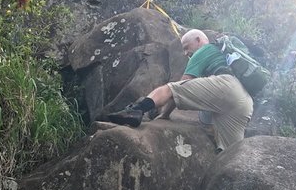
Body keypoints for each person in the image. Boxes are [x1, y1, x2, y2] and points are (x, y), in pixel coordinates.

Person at [107, 29, 253, 152]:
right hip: (245, 101)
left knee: (169, 88)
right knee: (230, 153)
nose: (185, 53)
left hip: (227, 86)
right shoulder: (222, 54)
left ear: (198, 40)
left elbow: (181, 85)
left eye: (186, 47)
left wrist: (164, 114)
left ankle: (137, 110)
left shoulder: (204, 49)